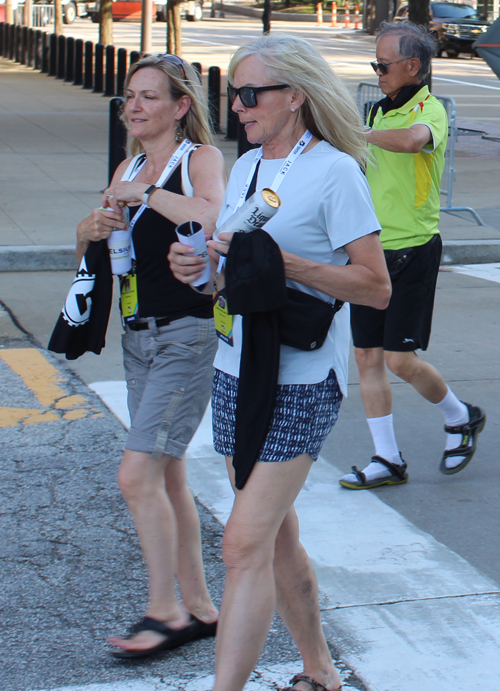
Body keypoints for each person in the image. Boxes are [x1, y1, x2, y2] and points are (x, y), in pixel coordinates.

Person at [169, 35, 391, 691]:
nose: (236, 106)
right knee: (277, 536)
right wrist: (202, 271)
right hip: (239, 371)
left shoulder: (334, 171)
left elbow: (375, 285)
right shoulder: (247, 169)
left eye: (248, 93)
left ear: (294, 95)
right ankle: (320, 670)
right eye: (233, 94)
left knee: (242, 545)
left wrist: (287, 263)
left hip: (301, 380)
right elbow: (234, 278)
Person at [75, 53, 226, 657]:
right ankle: (199, 607)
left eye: (148, 97)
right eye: (128, 97)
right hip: (140, 335)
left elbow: (210, 219)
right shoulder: (129, 163)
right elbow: (112, 250)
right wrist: (90, 227)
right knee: (166, 474)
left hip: (188, 336)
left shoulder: (199, 161)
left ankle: (163, 610)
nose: (132, 107)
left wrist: (145, 193)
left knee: (136, 474)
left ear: (181, 106)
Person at [340, 21, 486, 491]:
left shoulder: (432, 110)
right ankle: (386, 458)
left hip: (413, 250)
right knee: (366, 357)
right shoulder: (378, 111)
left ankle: (460, 416)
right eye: (375, 64)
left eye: (383, 65)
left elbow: (411, 141)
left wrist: (357, 133)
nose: (376, 71)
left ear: (413, 66)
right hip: (369, 250)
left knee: (400, 360)